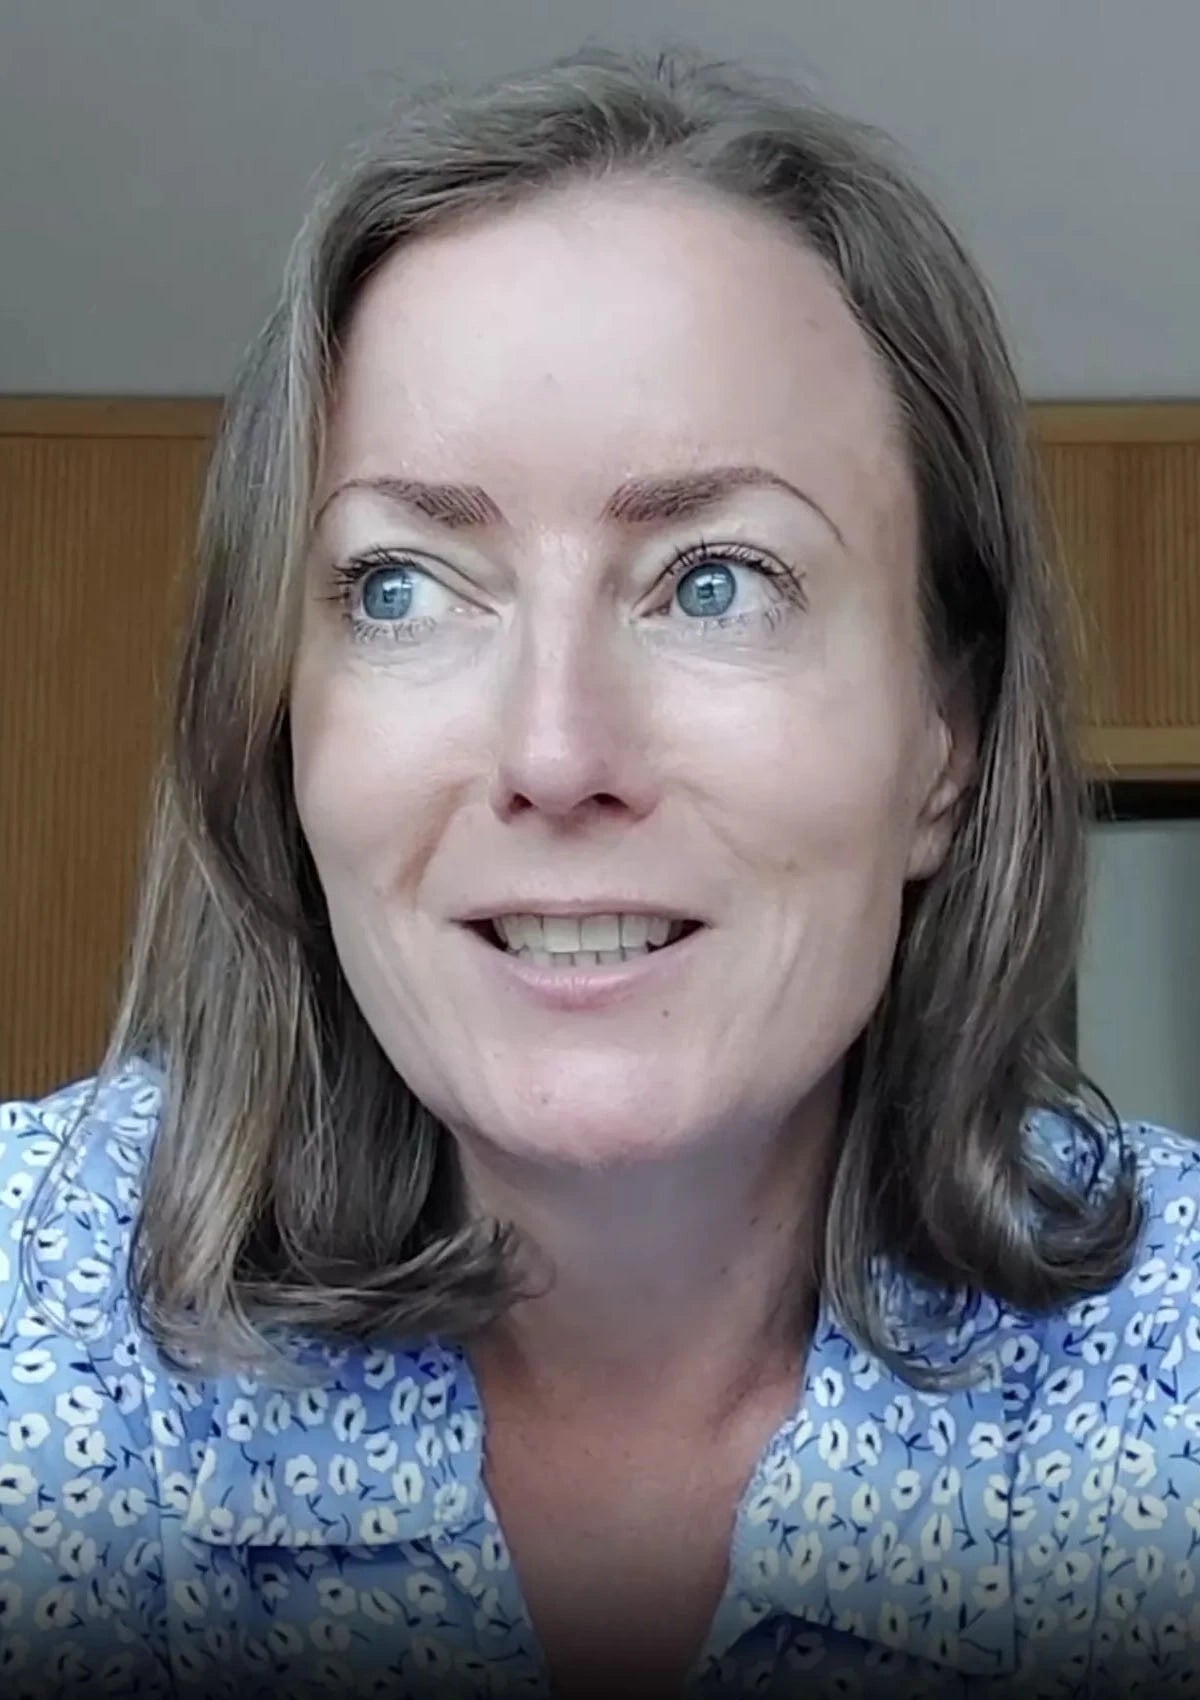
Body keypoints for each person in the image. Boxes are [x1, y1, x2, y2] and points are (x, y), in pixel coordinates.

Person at [1, 42, 1195, 1700]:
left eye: (717, 581)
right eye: (406, 588)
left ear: (947, 743)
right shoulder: (26, 1310)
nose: (557, 754)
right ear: (279, 726)